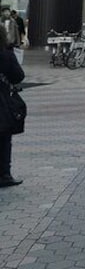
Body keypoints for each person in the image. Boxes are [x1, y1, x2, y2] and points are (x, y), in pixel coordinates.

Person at [0, 24, 25, 187]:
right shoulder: (6, 55)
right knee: (3, 139)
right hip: (2, 102)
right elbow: (18, 76)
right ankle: (4, 174)